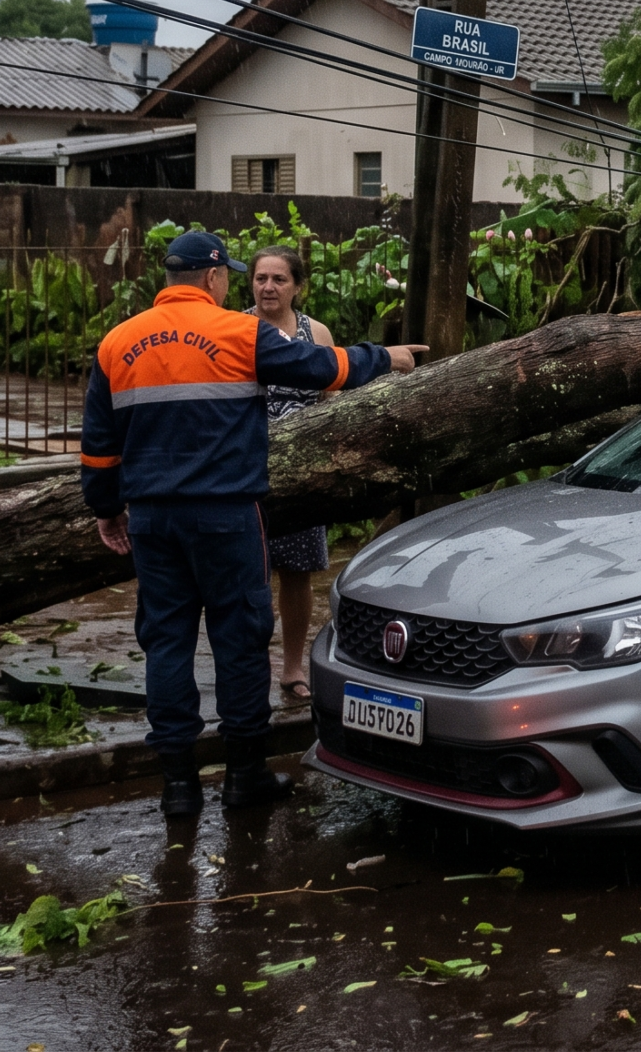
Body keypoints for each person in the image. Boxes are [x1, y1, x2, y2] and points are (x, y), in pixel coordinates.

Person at [82, 230, 424, 820]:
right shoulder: (238, 332)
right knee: (240, 642)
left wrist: (106, 508)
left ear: (169, 278)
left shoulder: (118, 342)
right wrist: (384, 357)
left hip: (154, 521)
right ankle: (244, 778)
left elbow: (98, 445)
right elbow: (322, 367)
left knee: (166, 642)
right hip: (226, 515)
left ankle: (178, 787)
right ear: (214, 278)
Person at [251, 246, 334, 704]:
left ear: (297, 286)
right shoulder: (237, 329)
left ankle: (293, 668)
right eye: (261, 278)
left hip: (304, 475)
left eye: (279, 279)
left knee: (298, 575)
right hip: (250, 472)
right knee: (252, 576)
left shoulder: (314, 333)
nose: (268, 287)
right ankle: (250, 667)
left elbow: (327, 399)